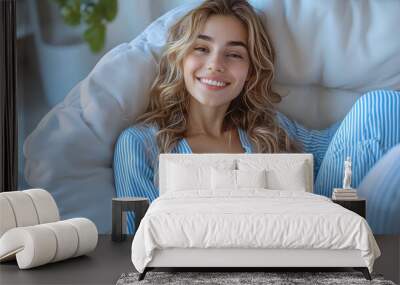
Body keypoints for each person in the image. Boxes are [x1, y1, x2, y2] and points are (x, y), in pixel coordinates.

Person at [114, 0, 400, 234]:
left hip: (307, 237)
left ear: (250, 72)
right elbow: (140, 239)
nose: (215, 65)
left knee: (384, 104)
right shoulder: (139, 144)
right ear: (180, 57)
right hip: (201, 258)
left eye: (234, 55)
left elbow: (343, 146)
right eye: (201, 48)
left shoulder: (265, 128)